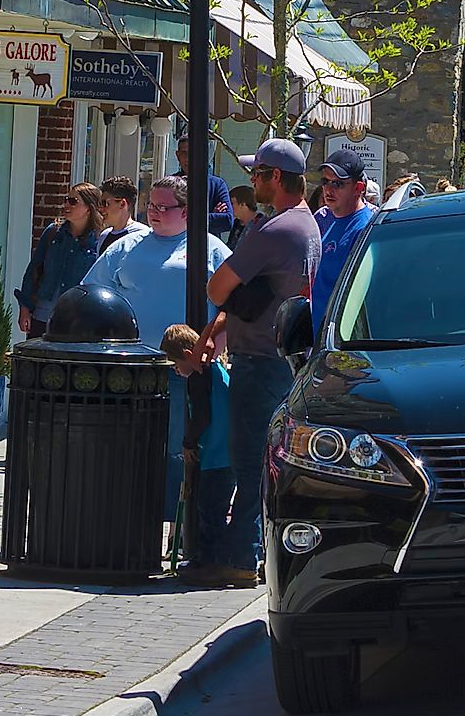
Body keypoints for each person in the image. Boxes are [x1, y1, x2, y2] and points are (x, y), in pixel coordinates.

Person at [187, 139, 320, 586]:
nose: (252, 182)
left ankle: (241, 556)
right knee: (266, 460)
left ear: (275, 178)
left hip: (259, 361)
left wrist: (225, 310)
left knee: (249, 460)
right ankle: (251, 551)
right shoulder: (307, 225)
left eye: (258, 175)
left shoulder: (275, 230)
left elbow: (216, 286)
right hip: (282, 360)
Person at [84, 174, 229, 343]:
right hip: (132, 359)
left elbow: (233, 308)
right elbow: (91, 295)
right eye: (150, 205)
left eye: (162, 207)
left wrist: (213, 341)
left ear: (185, 211)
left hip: (188, 359)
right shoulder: (124, 246)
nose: (152, 212)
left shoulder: (211, 249)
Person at [161, 322, 231, 560]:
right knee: (218, 510)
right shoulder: (218, 370)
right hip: (228, 452)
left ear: (188, 356)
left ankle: (209, 561)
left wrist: (188, 442)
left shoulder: (198, 377)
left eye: (175, 365)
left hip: (213, 455)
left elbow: (201, 415)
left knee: (209, 512)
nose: (176, 371)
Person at [14, 183, 105, 338]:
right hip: (42, 317)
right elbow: (34, 270)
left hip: (78, 320)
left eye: (73, 201)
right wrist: (25, 308)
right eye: (66, 200)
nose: (66, 205)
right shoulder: (53, 233)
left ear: (89, 208)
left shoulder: (100, 240)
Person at [312, 148, 378, 304]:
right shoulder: (332, 221)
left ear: (358, 188)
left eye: (338, 184)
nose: (328, 189)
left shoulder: (363, 230)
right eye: (325, 182)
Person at [93, 176, 144, 249]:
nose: (100, 209)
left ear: (122, 204)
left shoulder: (142, 236)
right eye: (100, 203)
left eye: (105, 203)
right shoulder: (104, 236)